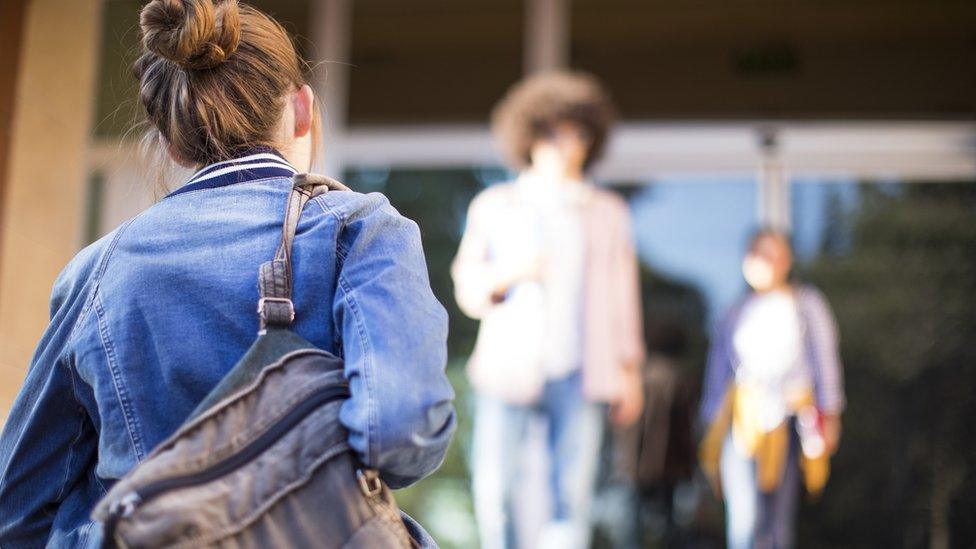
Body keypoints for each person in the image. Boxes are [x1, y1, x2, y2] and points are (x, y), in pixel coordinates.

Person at [0, 1, 455, 546]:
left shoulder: (96, 270)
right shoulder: (359, 229)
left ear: (170, 140)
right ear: (303, 110)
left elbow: (17, 508)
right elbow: (403, 432)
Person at [451, 71, 645, 549]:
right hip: (507, 370)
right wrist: (513, 272)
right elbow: (468, 288)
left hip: (581, 371)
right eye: (553, 133)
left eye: (577, 134)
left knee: (572, 498)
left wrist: (630, 372)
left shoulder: (608, 212)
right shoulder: (495, 205)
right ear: (529, 135)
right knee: (494, 491)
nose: (566, 145)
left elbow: (624, 298)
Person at [699, 229, 845, 549]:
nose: (761, 262)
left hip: (789, 420)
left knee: (777, 519)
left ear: (785, 259)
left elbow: (825, 361)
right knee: (744, 516)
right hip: (742, 422)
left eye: (770, 253)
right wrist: (711, 427)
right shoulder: (733, 312)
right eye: (755, 254)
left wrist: (829, 414)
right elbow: (717, 374)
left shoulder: (806, 304)